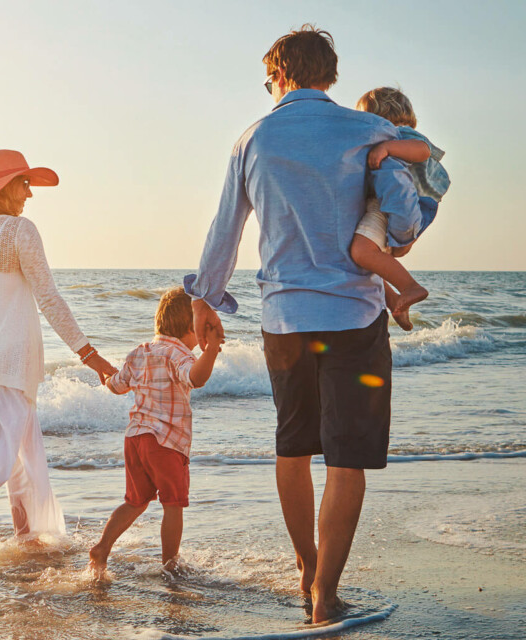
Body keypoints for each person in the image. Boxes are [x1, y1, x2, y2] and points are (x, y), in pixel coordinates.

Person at [184, 26, 422, 623]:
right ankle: (325, 597)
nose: (269, 89)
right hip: (354, 316)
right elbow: (402, 212)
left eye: (269, 79)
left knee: (293, 447)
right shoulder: (369, 129)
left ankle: (306, 568)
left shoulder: (252, 139)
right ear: (329, 75)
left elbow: (225, 230)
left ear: (282, 75)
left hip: (284, 320)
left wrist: (205, 299)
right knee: (346, 459)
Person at [0, 149, 118, 566]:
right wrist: (91, 356)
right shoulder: (20, 231)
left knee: (22, 453)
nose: (29, 195)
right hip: (14, 357)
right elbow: (49, 298)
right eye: (24, 183)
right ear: (2, 186)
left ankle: (27, 536)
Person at [86, 287, 222, 577]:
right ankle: (171, 564)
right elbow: (195, 378)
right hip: (166, 443)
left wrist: (105, 374)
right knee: (173, 504)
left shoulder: (139, 352)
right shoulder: (178, 355)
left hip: (135, 439)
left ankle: (102, 547)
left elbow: (116, 385)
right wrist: (211, 351)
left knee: (135, 501)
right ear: (191, 328)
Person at [349, 87, 452, 330]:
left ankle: (410, 287)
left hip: (395, 206)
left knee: (361, 252)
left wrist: (387, 148)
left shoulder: (399, 134)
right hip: (397, 206)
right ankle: (395, 302)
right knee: (372, 260)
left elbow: (423, 151)